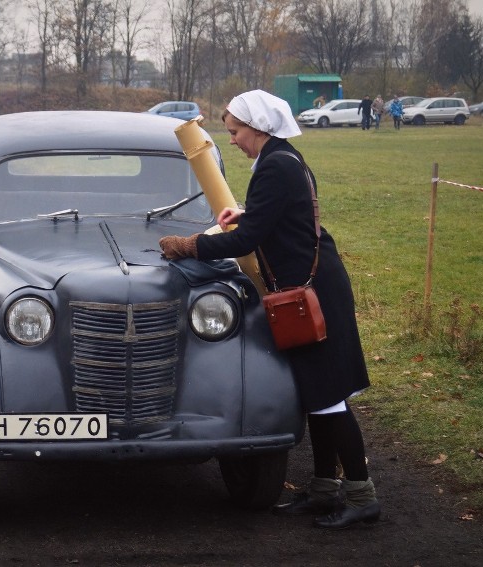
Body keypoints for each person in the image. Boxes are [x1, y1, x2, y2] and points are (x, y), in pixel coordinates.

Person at [159, 89, 381, 530]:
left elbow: (245, 240)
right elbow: (272, 220)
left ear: (259, 127)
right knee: (315, 396)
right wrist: (244, 212)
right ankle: (322, 490)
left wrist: (190, 245)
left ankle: (361, 494)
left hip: (313, 292)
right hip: (310, 287)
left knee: (329, 398)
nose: (235, 140)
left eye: (237, 132)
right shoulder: (283, 158)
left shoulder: (276, 165)